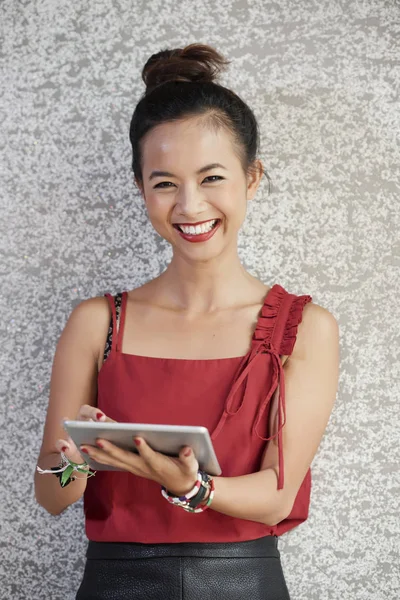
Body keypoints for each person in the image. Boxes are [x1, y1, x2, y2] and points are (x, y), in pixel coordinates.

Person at [34, 43, 340, 600]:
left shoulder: (305, 327)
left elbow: (276, 493)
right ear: (141, 190)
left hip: (244, 584)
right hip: (113, 585)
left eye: (212, 177)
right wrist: (71, 464)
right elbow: (54, 498)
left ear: (252, 178)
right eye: (165, 183)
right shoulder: (95, 322)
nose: (190, 206)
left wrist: (192, 488)